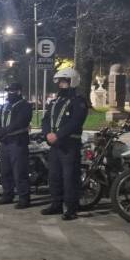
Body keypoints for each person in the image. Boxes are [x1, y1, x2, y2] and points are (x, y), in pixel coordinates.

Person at [41, 68, 88, 220]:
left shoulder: (79, 101)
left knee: (70, 178)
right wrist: (47, 134)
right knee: (54, 177)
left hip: (69, 146)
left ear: (72, 82)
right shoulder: (55, 102)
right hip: (55, 146)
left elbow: (75, 122)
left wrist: (58, 135)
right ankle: (56, 204)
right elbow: (45, 120)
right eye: (60, 81)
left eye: (64, 81)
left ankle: (71, 209)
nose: (61, 84)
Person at [0, 82, 34, 209]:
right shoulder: (5, 105)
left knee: (20, 171)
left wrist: (4, 131)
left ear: (19, 92)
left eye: (12, 91)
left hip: (18, 142)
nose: (9, 93)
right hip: (5, 142)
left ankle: (24, 198)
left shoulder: (25, 106)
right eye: (8, 91)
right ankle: (7, 194)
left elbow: (20, 122)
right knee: (5, 170)